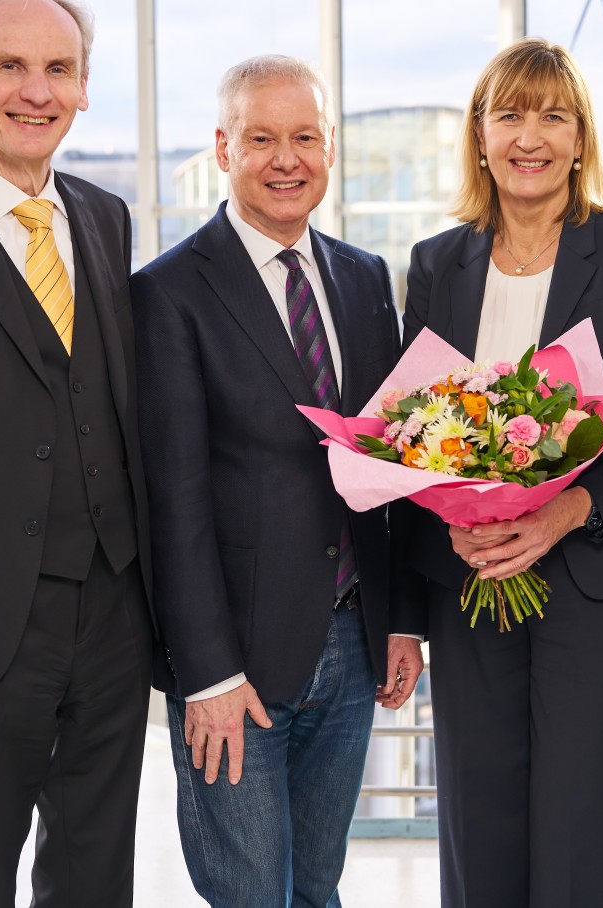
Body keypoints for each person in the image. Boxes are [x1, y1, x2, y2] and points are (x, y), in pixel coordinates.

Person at [131, 54, 426, 907]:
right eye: (261, 139)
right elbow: (174, 503)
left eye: (304, 137)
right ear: (224, 148)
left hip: (354, 645)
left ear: (330, 146)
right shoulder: (168, 292)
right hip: (238, 666)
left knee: (318, 888)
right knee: (253, 893)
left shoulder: (366, 278)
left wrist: (402, 621)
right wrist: (207, 677)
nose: (286, 159)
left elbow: (392, 464)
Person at [398, 37, 603, 907]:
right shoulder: (437, 263)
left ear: (580, 139)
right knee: (477, 818)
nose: (529, 137)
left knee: (583, 826)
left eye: (553, 117)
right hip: (471, 583)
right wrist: (448, 534)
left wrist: (568, 510)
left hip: (596, 587)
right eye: (510, 116)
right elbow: (410, 429)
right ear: (480, 135)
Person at [0, 0, 154, 908]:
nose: (37, 91)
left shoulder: (105, 218)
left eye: (59, 69)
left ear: (83, 88)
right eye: (12, 66)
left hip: (113, 619)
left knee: (96, 878)